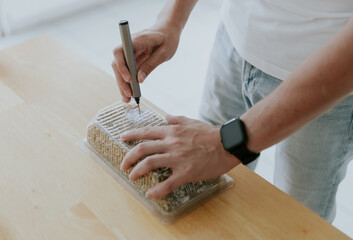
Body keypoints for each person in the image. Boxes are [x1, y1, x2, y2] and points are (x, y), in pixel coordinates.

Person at [112, 0, 353, 222]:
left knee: (296, 217)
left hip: (327, 78)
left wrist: (225, 143)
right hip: (233, 39)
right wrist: (170, 20)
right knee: (204, 193)